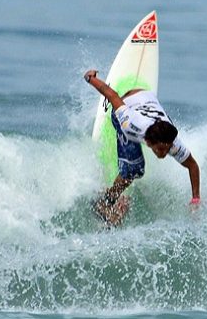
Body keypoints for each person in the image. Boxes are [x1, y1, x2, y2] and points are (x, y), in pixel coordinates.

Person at [84, 69, 200, 224]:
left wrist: (195, 199)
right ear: (150, 142)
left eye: (166, 149)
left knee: (137, 168)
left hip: (146, 97)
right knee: (135, 169)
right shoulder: (131, 124)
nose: (164, 153)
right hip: (128, 104)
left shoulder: (171, 142)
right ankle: (105, 202)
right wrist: (91, 78)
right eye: (160, 149)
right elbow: (112, 95)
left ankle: (111, 197)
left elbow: (192, 165)